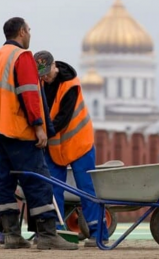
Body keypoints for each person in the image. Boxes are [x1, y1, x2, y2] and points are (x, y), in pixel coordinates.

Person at [0, 17, 77, 250]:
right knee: (37, 181)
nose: (30, 34)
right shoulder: (22, 57)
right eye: (29, 30)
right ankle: (47, 235)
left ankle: (12, 235)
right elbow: (29, 94)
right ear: (22, 32)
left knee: (5, 183)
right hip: (18, 131)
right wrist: (38, 126)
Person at [33, 50, 109, 248]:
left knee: (86, 188)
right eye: (41, 75)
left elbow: (62, 118)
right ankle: (56, 232)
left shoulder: (70, 85)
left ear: (54, 66)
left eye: (47, 73)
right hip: (56, 145)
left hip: (79, 143)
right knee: (52, 188)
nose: (45, 78)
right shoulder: (40, 83)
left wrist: (41, 133)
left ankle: (99, 233)